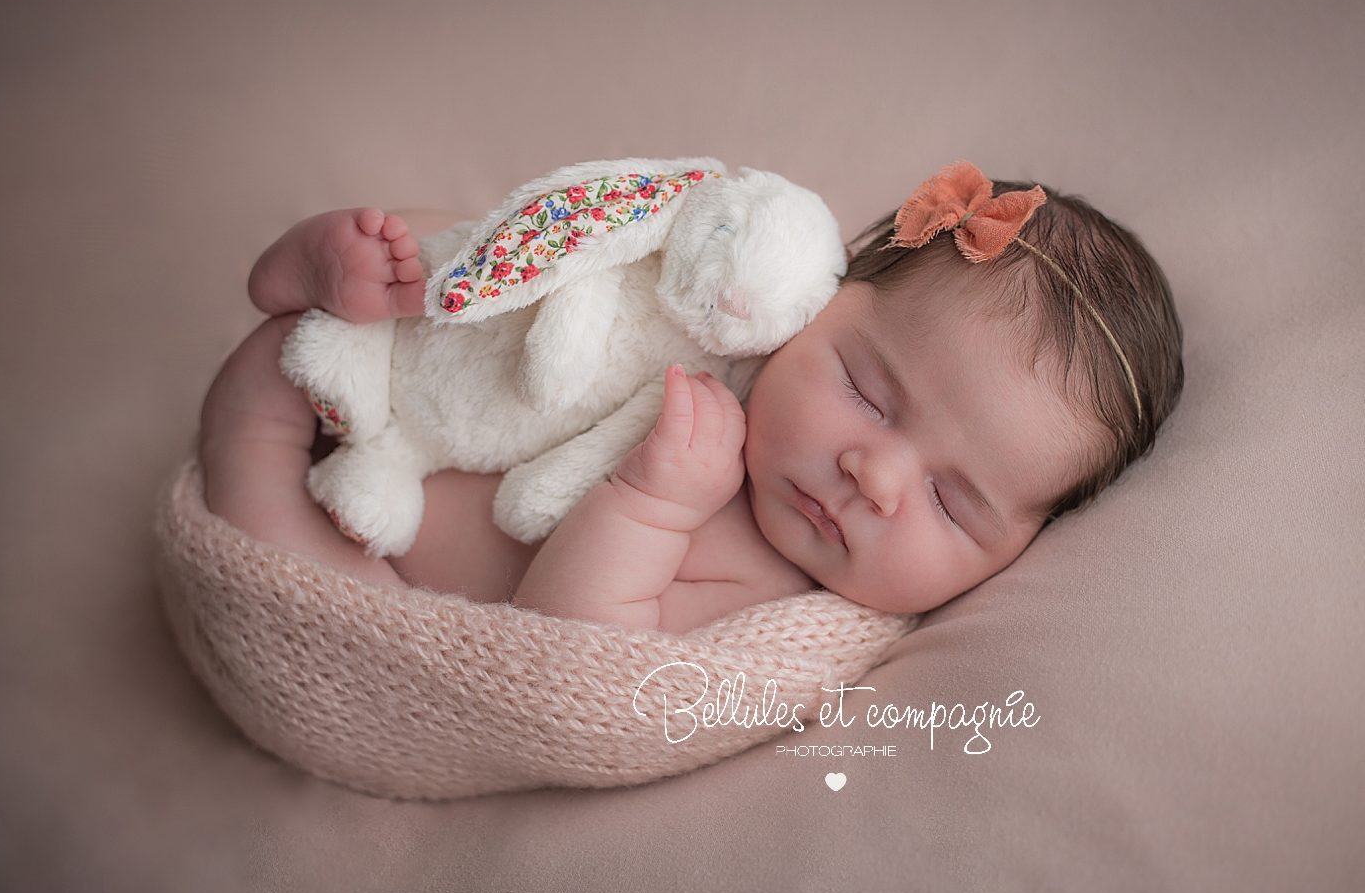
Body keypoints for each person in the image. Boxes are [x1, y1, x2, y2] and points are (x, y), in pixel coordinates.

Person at [200, 161, 1184, 634]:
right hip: (417, 392)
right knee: (455, 251)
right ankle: (339, 270)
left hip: (364, 567)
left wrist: (650, 504)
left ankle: (262, 381)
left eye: (951, 501)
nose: (872, 474)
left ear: (1019, 547)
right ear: (826, 297)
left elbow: (574, 647)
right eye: (867, 392)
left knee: (256, 439)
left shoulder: (774, 589)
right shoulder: (753, 329)